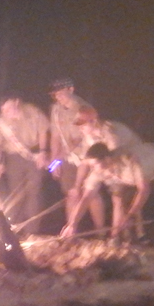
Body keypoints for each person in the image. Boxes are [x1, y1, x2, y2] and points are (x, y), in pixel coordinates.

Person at [62, 141, 154, 250]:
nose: (93, 169)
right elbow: (86, 198)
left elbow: (144, 190)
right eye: (91, 166)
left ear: (107, 159)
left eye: (94, 165)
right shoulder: (98, 171)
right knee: (123, 207)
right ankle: (130, 244)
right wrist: (72, 224)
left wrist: (130, 215)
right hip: (129, 180)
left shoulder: (130, 161)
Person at [48, 78, 104, 232]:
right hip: (67, 159)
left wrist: (66, 152)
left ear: (71, 89)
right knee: (71, 193)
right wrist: (54, 162)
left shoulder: (84, 108)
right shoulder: (56, 110)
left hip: (87, 156)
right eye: (55, 94)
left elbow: (89, 134)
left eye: (61, 93)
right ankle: (71, 233)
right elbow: (55, 136)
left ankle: (100, 232)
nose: (58, 97)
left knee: (91, 194)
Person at [0, 94, 49, 234]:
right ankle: (15, 229)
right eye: (3, 110)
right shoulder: (0, 123)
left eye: (9, 108)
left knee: (34, 193)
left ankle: (32, 231)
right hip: (13, 158)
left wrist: (43, 152)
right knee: (16, 194)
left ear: (17, 102)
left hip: (34, 155)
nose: (6, 113)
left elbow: (43, 131)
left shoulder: (32, 111)